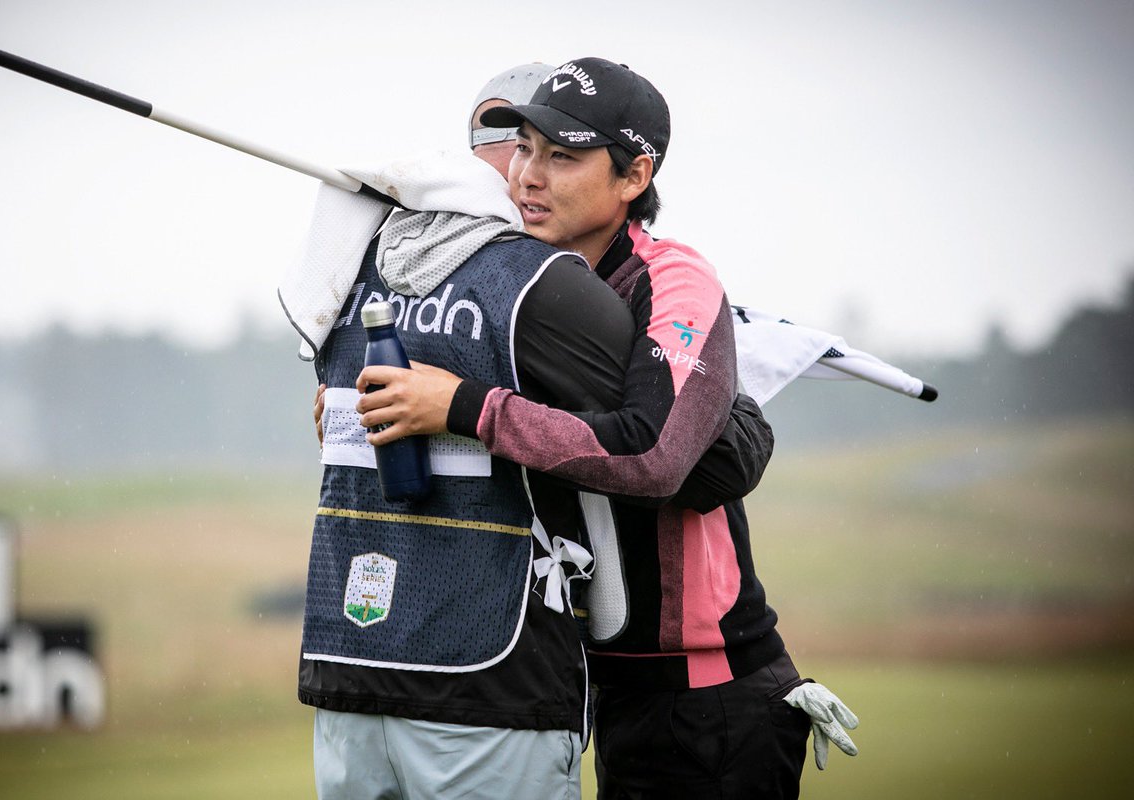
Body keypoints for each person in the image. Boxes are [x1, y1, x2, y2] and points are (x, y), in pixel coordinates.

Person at [357, 57, 858, 798]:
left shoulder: (674, 277)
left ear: (633, 177)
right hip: (589, 690)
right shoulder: (511, 284)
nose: (529, 175)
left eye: (563, 156)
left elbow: (653, 455)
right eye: (523, 148)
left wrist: (463, 406)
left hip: (709, 701)